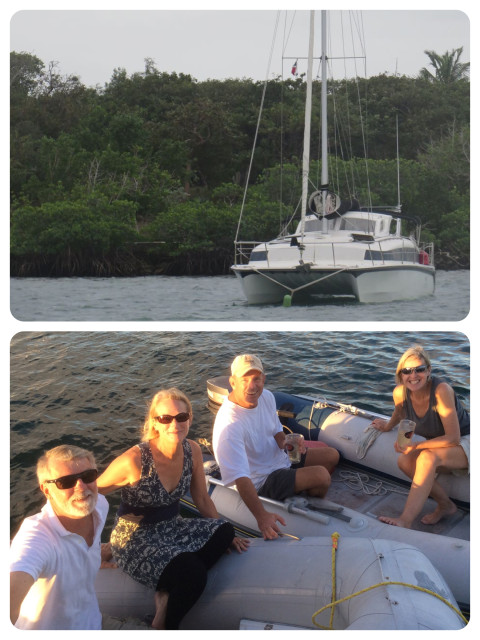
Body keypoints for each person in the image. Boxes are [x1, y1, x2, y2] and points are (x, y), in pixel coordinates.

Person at [97, 387, 249, 630]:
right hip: (136, 540)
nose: (174, 424)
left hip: (172, 527)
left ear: (189, 418)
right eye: (165, 418)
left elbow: (201, 497)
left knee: (225, 531)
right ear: (154, 424)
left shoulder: (193, 450)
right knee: (194, 574)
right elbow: (88, 494)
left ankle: (170, 586)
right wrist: (89, 549)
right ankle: (164, 623)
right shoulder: (134, 460)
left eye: (181, 417)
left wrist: (221, 528)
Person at [212, 354, 340, 540]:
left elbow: (276, 431)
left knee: (332, 455)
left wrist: (287, 442)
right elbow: (241, 479)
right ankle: (306, 503)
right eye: (244, 380)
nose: (252, 386)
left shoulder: (267, 397)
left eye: (257, 379)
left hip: (281, 458)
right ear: (232, 382)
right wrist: (261, 518)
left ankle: (300, 490)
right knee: (322, 476)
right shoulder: (230, 424)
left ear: (264, 379)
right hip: (262, 479)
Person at [10, 444, 110, 629]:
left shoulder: (100, 507)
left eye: (88, 476)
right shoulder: (38, 536)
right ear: (46, 490)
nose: (81, 487)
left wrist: (93, 554)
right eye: (66, 482)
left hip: (93, 622)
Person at [371, 345, 470, 529]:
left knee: (426, 457)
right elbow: (401, 414)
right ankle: (446, 505)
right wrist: (387, 427)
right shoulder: (400, 393)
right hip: (442, 444)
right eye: (407, 371)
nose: (413, 375)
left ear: (429, 370)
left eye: (419, 369)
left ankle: (405, 520)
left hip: (466, 440)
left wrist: (416, 446)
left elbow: (454, 438)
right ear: (401, 374)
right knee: (404, 461)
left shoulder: (441, 391)